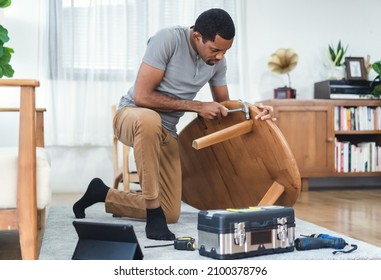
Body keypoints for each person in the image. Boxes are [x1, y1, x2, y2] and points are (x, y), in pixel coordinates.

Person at [73, 8, 275, 241]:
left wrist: (253, 109)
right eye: (216, 49)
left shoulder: (217, 62)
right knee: (150, 119)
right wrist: (198, 106)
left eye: (225, 51)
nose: (220, 57)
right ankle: (152, 214)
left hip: (166, 132)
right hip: (132, 116)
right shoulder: (168, 39)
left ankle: (103, 193)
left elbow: (224, 107)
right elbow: (142, 96)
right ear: (198, 36)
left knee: (169, 212)